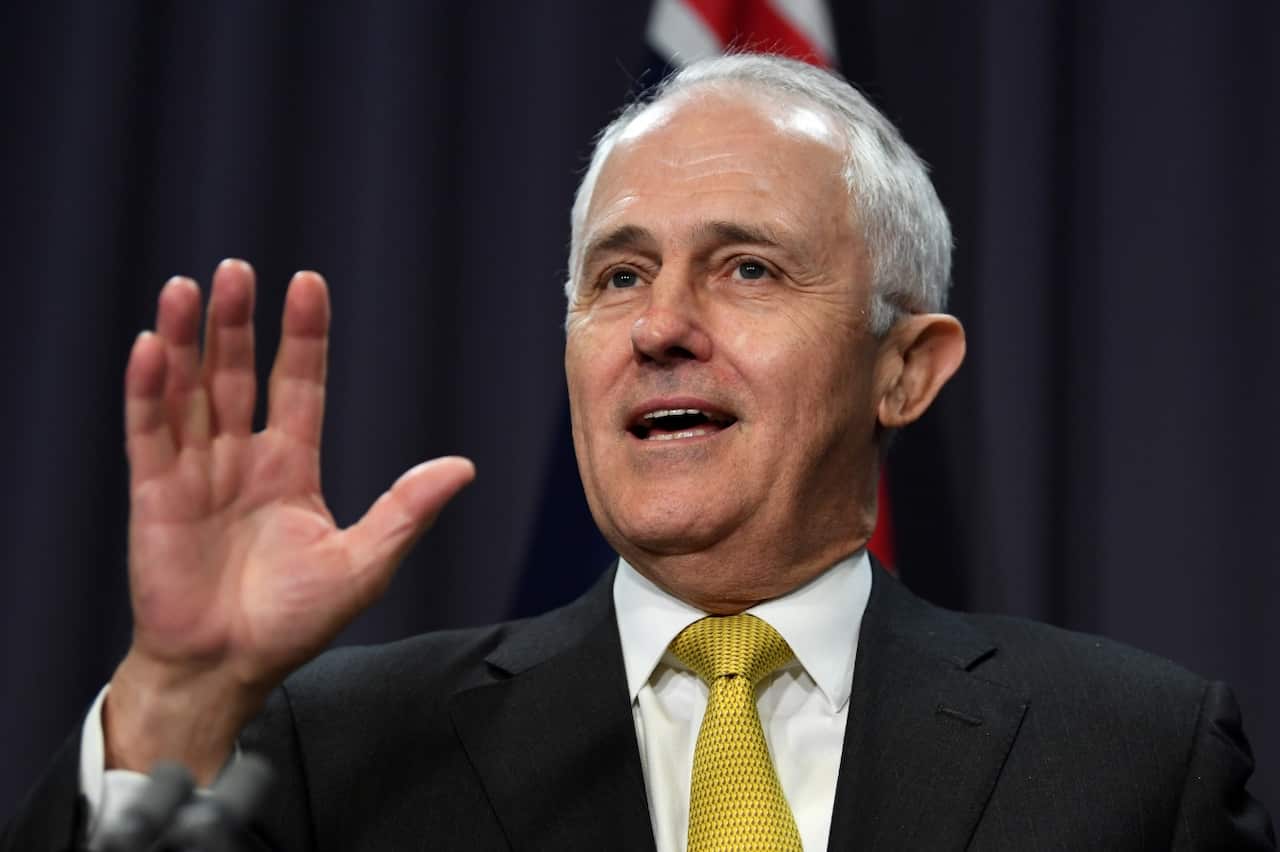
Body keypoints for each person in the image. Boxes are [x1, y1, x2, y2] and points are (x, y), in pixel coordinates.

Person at [2, 53, 1273, 851]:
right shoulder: (334, 753)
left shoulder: (1128, 757)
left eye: (746, 268)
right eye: (616, 276)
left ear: (904, 367)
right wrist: (177, 695)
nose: (660, 326)